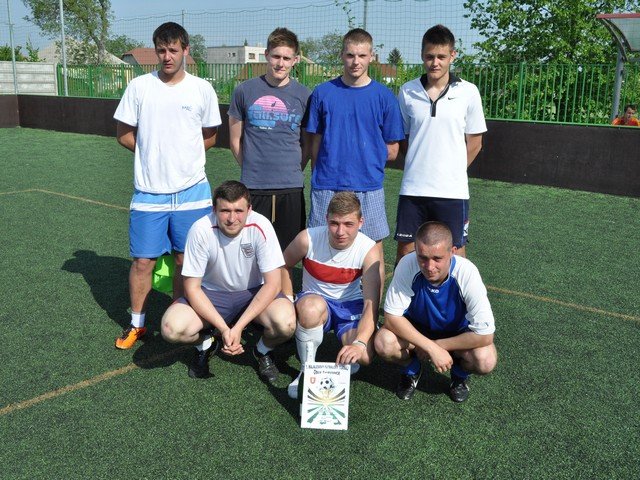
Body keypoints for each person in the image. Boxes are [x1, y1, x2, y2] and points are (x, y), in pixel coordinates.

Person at [113, 22, 222, 349]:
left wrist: (182, 158)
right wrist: (152, 155)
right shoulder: (139, 87)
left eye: (173, 50)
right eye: (161, 50)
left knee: (184, 261)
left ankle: (179, 315)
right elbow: (123, 135)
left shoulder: (201, 89)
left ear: (186, 50)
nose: (167, 56)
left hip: (192, 194)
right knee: (143, 262)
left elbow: (210, 136)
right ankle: (137, 325)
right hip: (149, 194)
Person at [160, 180, 295, 383]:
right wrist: (224, 329)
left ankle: (262, 350)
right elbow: (192, 288)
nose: (232, 219)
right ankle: (206, 344)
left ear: (249, 209)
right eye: (225, 211)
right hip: (211, 295)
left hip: (254, 293)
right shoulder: (200, 229)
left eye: (239, 211)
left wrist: (238, 327)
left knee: (287, 324)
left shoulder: (261, 225)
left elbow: (273, 284)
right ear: (214, 209)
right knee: (171, 329)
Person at [304, 28, 404, 274]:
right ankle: (315, 295)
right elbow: (315, 143)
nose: (355, 61)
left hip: (368, 186)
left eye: (361, 55)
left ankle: (370, 301)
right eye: (350, 55)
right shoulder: (322, 93)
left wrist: (365, 158)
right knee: (319, 245)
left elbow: (392, 150)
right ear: (342, 55)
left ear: (371, 56)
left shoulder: (385, 97)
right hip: (327, 184)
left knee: (372, 250)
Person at [394, 24, 487, 264]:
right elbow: (403, 137)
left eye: (441, 57)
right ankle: (404, 293)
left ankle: (456, 293)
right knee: (406, 252)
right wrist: (419, 164)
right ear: (422, 55)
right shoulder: (407, 91)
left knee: (456, 253)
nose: (435, 63)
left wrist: (452, 171)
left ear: (452, 55)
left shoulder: (468, 92)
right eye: (429, 56)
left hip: (452, 191)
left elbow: (475, 143)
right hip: (413, 189)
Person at [375, 221, 497, 403]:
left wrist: (437, 346)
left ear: (452, 252)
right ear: (416, 250)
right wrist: (429, 347)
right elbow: (391, 318)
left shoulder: (467, 272)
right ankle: (412, 369)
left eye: (437, 258)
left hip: (456, 335)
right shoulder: (407, 264)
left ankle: (459, 375)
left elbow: (485, 336)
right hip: (417, 331)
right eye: (422, 257)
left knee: (486, 360)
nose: (429, 266)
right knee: (383, 342)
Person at [282, 192, 382, 399]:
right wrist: (288, 301)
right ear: (326, 219)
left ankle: (349, 356)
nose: (340, 232)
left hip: (350, 305)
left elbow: (370, 304)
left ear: (361, 222)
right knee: (310, 309)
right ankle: (306, 371)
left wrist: (360, 343)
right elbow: (284, 265)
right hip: (316, 301)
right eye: (334, 223)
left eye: (348, 224)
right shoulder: (308, 238)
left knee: (364, 355)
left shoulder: (368, 249)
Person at [228, 27, 311, 250]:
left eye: (286, 58)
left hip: (291, 187)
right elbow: (235, 140)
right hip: (254, 186)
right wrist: (251, 168)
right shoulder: (244, 91)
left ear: (295, 60)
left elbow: (307, 143)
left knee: (289, 251)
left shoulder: (304, 95)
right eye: (276, 56)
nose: (280, 63)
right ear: (266, 55)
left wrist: (294, 168)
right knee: (252, 250)